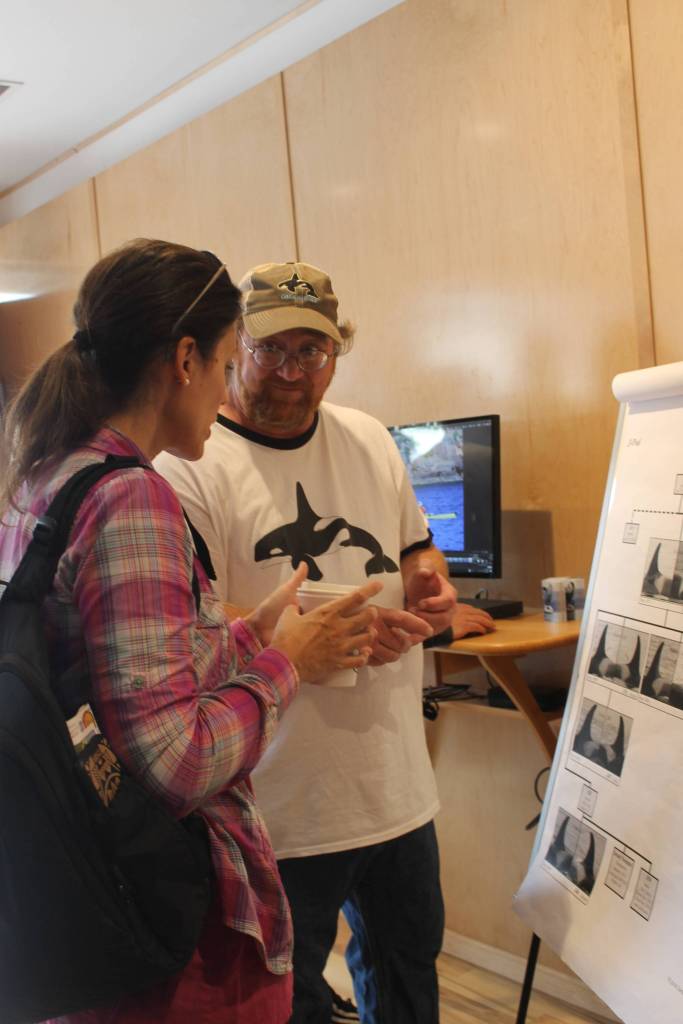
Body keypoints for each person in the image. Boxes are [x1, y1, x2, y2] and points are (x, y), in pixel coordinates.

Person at [0, 241, 381, 1024]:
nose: (224, 390)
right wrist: (287, 666)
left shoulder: (51, 473)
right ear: (184, 358)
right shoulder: (131, 496)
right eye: (224, 361)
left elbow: (118, 677)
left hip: (80, 893)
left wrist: (251, 635)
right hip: (168, 934)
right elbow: (177, 761)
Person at [155, 260, 494, 1023]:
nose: (289, 373)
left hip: (396, 791)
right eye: (270, 348)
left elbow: (414, 550)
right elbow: (194, 619)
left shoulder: (370, 438)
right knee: (290, 1000)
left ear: (336, 354)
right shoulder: (189, 467)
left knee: (408, 977)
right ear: (234, 344)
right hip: (277, 803)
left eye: (311, 353)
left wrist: (432, 585)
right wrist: (322, 633)